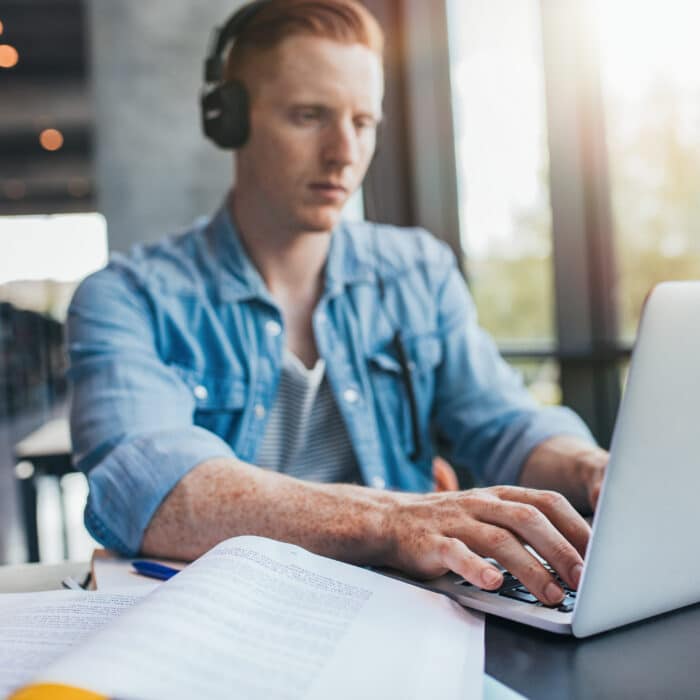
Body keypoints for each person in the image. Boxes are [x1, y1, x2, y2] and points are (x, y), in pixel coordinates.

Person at [67, 0, 608, 607]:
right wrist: (394, 521)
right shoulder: (127, 298)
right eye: (309, 116)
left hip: (401, 617)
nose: (344, 152)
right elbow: (152, 492)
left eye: (364, 121)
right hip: (223, 623)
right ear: (231, 120)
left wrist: (591, 467)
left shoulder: (417, 272)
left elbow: (505, 423)